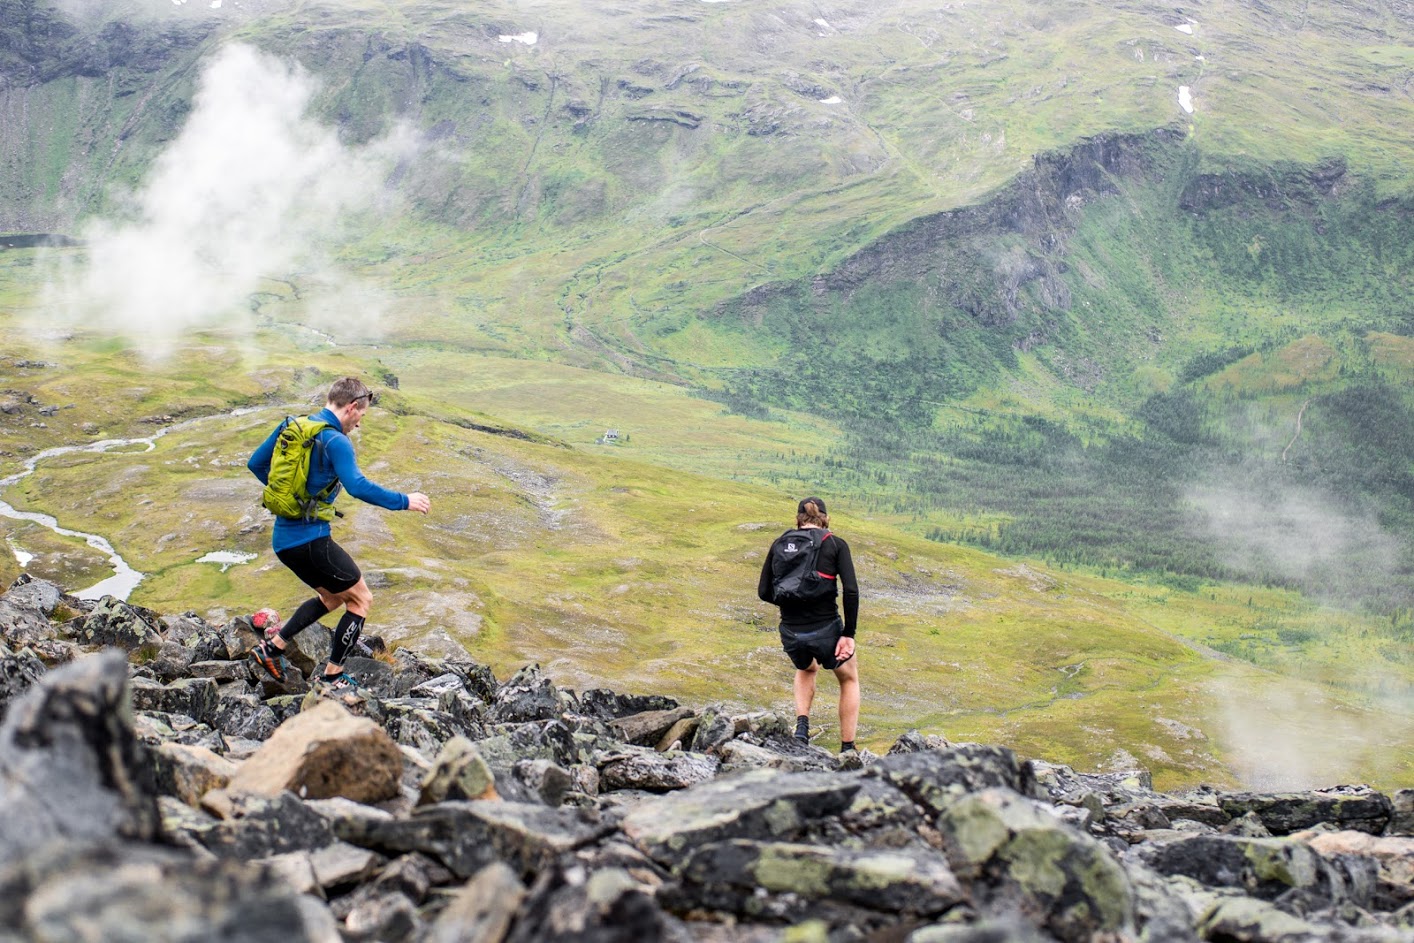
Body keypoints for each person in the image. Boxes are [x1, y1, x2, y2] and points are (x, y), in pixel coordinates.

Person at [246, 377, 430, 690]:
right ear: (352, 406)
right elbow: (358, 486)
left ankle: (272, 648)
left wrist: (294, 499)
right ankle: (332, 676)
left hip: (285, 540)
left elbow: (256, 464)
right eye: (361, 415)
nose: (359, 424)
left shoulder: (294, 426)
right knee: (360, 600)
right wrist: (405, 501)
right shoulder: (335, 440)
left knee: (330, 597)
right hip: (310, 542)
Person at [758, 496, 861, 753]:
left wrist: (793, 605)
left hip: (792, 630)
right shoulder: (835, 544)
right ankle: (848, 748)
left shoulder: (779, 543)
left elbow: (763, 592)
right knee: (848, 679)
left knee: (806, 668)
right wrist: (848, 633)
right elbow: (851, 591)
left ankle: (802, 729)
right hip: (827, 628)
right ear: (825, 518)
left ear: (798, 519)